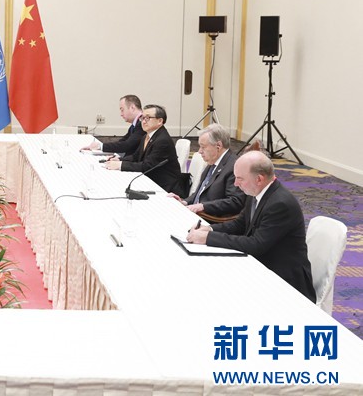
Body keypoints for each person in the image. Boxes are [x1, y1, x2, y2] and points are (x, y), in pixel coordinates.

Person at [187, 151, 315, 302]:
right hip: (264, 265)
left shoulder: (280, 204)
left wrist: (208, 238)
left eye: (240, 178)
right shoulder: (256, 192)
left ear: (259, 179)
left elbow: (256, 245)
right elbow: (240, 224)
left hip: (286, 282)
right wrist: (209, 229)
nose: (236, 184)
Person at [169, 123, 245, 218]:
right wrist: (184, 202)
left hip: (209, 219)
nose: (199, 151)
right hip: (196, 214)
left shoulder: (234, 166)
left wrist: (203, 206)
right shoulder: (213, 161)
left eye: (203, 147)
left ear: (218, 146)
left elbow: (235, 202)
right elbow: (200, 193)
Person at [105, 104, 182, 193]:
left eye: (148, 118)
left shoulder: (162, 140)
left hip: (165, 187)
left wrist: (120, 165)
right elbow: (136, 156)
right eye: (142, 118)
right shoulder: (147, 136)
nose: (143, 121)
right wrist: (119, 159)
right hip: (152, 180)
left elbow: (147, 166)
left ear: (160, 121)